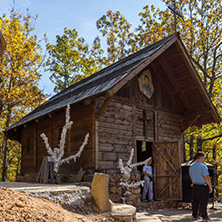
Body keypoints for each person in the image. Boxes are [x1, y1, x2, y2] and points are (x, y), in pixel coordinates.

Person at [189, 152, 213, 221]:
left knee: (195, 201)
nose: (204, 159)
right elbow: (206, 177)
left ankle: (195, 215)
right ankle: (204, 216)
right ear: (201, 157)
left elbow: (191, 176)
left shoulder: (191, 167)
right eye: (204, 158)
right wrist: (210, 187)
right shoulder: (203, 166)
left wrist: (193, 182)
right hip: (203, 186)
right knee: (203, 202)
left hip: (195, 186)